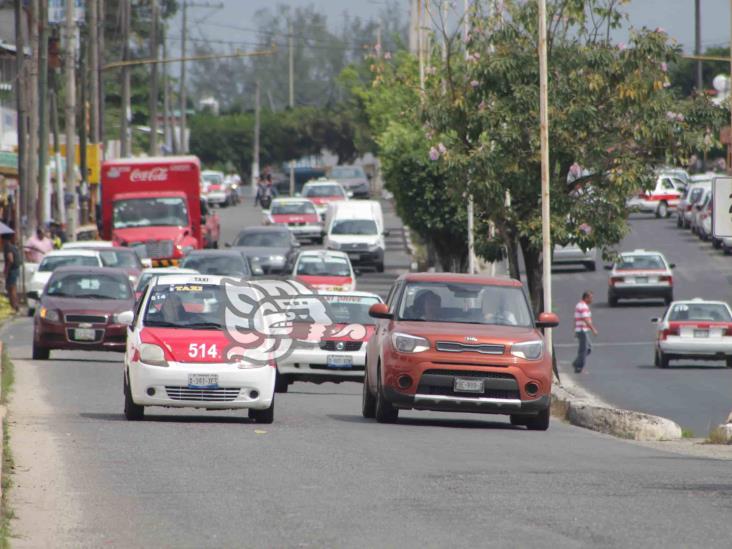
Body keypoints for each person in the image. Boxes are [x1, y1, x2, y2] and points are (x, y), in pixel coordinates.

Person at [572, 290, 598, 373]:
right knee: (584, 349)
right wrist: (593, 329)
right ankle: (579, 366)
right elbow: (585, 319)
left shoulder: (580, 305)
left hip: (581, 330)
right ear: (586, 298)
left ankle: (577, 363)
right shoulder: (583, 306)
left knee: (587, 348)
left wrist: (575, 330)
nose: (592, 300)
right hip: (582, 330)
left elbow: (576, 319)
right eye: (590, 298)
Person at [3, 233, 20, 313]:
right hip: (15, 269)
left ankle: (14, 307)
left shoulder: (7, 247)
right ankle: (15, 306)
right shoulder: (12, 246)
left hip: (12, 270)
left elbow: (10, 259)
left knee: (11, 288)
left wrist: (7, 271)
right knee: (13, 288)